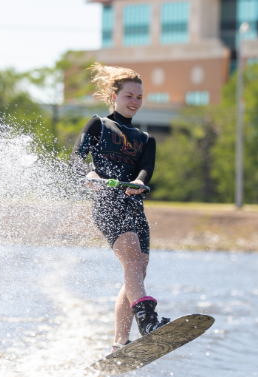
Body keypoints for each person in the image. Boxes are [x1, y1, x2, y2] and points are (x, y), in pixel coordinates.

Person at [70, 63, 170, 352]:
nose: (135, 102)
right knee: (130, 260)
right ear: (114, 97)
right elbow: (77, 158)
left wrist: (137, 183)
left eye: (139, 97)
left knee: (138, 270)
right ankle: (148, 320)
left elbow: (145, 171)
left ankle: (120, 343)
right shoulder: (98, 125)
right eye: (129, 96)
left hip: (134, 207)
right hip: (106, 202)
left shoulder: (145, 139)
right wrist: (89, 175)